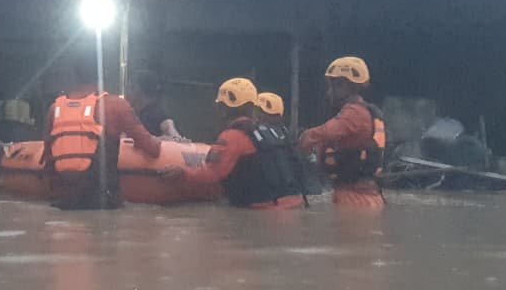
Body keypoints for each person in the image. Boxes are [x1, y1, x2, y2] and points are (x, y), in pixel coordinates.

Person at [165, 78, 304, 209]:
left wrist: (183, 173)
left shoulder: (233, 136)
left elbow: (212, 174)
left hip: (266, 210)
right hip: (295, 203)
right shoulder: (272, 133)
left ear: (223, 108)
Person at [43, 56, 162, 210]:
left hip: (63, 201)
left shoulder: (55, 109)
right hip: (104, 202)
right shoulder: (116, 105)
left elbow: (47, 157)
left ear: (74, 74)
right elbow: (152, 148)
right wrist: (164, 141)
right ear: (102, 74)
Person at [298, 56, 386, 208]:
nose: (329, 92)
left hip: (355, 199)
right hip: (360, 195)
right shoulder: (361, 111)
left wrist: (303, 140)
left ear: (352, 87)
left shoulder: (354, 113)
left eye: (336, 86)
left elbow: (326, 132)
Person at [128, 70, 183, 139]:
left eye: (130, 88)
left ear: (137, 89)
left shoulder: (157, 114)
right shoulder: (140, 114)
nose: (128, 92)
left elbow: (172, 133)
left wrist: (155, 140)